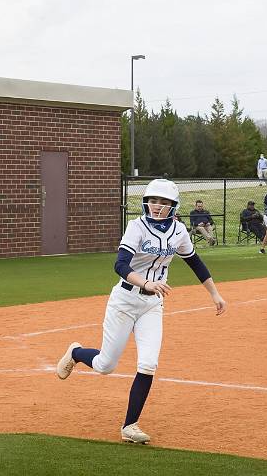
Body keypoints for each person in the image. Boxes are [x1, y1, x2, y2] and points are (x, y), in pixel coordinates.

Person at [55, 178, 227, 444]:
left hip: (152, 304)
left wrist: (214, 293)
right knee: (105, 365)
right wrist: (146, 282)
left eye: (164, 202)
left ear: (173, 206)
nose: (157, 206)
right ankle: (76, 352)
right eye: (154, 200)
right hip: (124, 300)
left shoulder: (179, 231)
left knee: (148, 364)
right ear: (147, 202)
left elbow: (195, 262)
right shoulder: (136, 227)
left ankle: (129, 426)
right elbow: (120, 265)